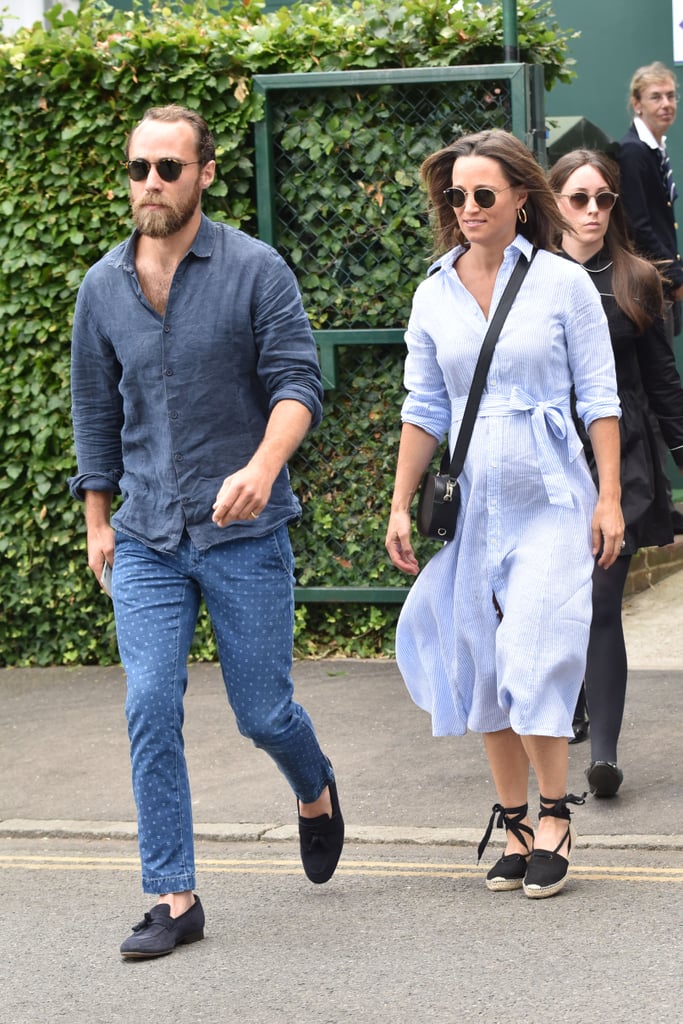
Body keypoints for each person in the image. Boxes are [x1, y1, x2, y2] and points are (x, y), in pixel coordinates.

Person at [68, 105, 344, 959]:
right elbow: (93, 411)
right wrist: (98, 521)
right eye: (138, 168)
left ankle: (314, 787)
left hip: (243, 533)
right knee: (150, 704)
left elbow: (299, 383)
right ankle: (174, 897)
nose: (150, 183)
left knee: (261, 713)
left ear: (205, 175)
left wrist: (262, 468)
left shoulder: (255, 270)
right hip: (148, 534)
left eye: (168, 169)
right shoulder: (101, 288)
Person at [385, 129, 624, 900]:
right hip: (469, 504)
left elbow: (599, 398)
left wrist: (610, 496)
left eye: (482, 194)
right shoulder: (433, 291)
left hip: (551, 498)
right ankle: (515, 822)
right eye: (455, 196)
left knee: (532, 653)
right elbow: (423, 404)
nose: (467, 208)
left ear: (522, 198)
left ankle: (555, 814)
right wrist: (397, 500)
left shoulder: (560, 284)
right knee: (481, 664)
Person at [549, 149, 683, 796]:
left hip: (621, 454)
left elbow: (662, 381)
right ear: (553, 203)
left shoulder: (633, 277)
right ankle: (569, 698)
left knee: (603, 598)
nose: (594, 211)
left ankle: (602, 754)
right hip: (549, 450)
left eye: (603, 199)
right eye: (579, 199)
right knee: (555, 598)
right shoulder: (533, 278)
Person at [618, 62, 683, 346]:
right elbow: (639, 227)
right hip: (649, 286)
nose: (666, 104)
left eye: (671, 95)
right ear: (637, 104)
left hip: (663, 283)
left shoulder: (655, 149)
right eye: (656, 96)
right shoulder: (633, 152)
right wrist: (675, 278)